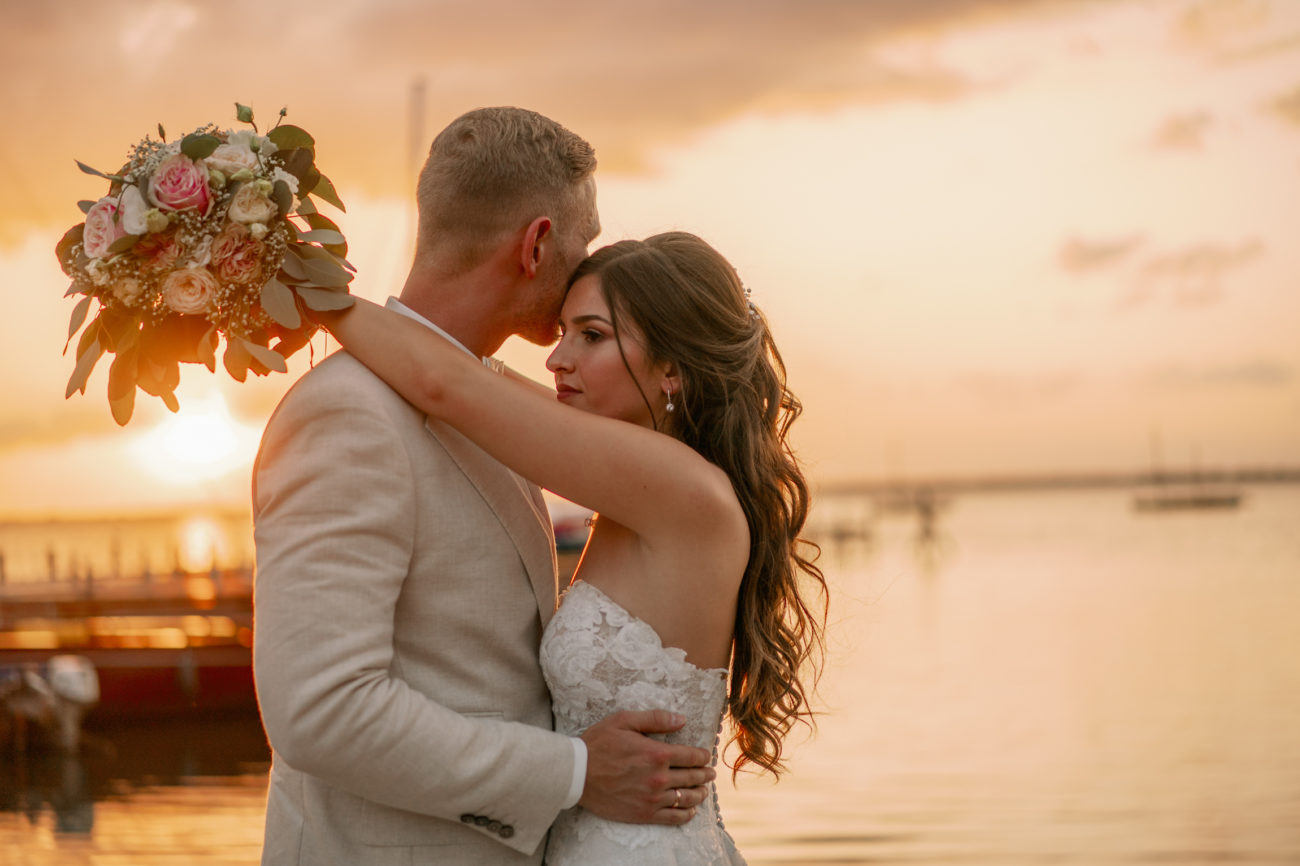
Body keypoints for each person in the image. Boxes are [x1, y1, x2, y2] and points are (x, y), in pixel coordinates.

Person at [252, 108, 716, 866]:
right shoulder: (350, 413)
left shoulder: (503, 414)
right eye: (584, 239)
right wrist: (574, 773)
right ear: (537, 244)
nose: (589, 260)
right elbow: (321, 711)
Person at [310, 230, 828, 864]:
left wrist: (306, 294)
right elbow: (475, 384)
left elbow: (450, 389)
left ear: (671, 369)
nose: (556, 359)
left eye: (592, 335)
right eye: (562, 331)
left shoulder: (682, 488)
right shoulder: (640, 483)